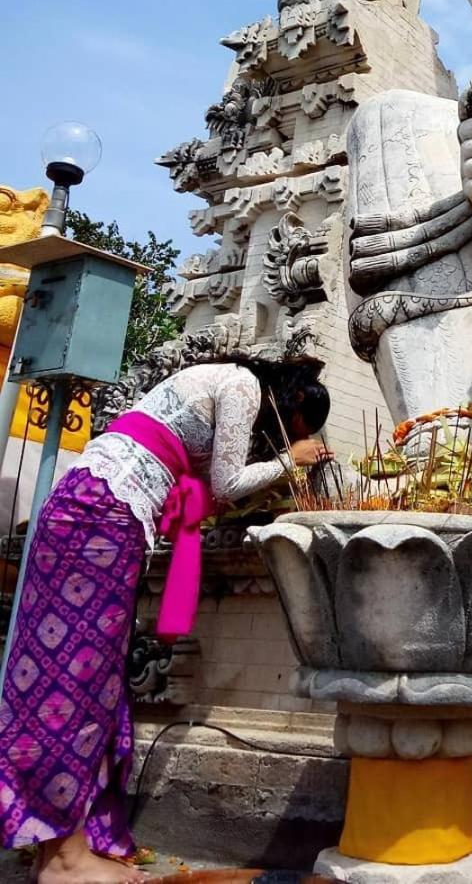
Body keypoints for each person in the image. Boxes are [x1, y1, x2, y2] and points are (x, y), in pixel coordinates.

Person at [0, 355, 333, 884]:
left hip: (91, 505)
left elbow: (204, 486)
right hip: (103, 514)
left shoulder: (219, 382)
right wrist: (294, 459)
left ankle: (64, 846)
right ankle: (63, 859)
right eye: (289, 428)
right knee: (73, 682)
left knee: (88, 681)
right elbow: (226, 484)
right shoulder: (244, 386)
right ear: (289, 403)